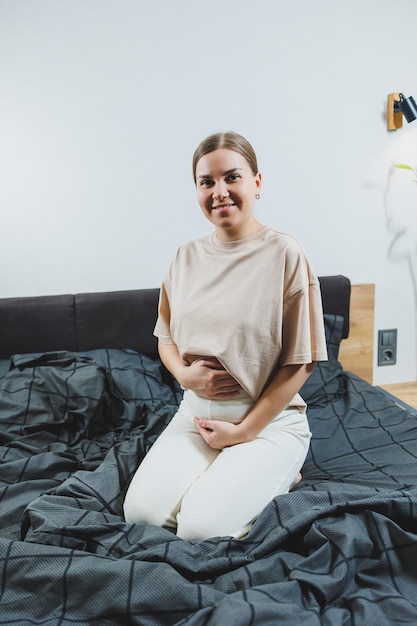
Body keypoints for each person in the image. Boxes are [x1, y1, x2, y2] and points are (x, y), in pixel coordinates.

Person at [123, 131, 328, 541]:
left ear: (257, 182)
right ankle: (230, 476)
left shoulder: (285, 253)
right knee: (140, 515)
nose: (220, 192)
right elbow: (166, 338)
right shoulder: (185, 257)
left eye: (231, 177)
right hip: (196, 415)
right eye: (207, 182)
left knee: (200, 531)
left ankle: (283, 472)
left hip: (267, 422)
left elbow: (301, 361)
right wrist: (183, 376)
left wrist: (246, 432)